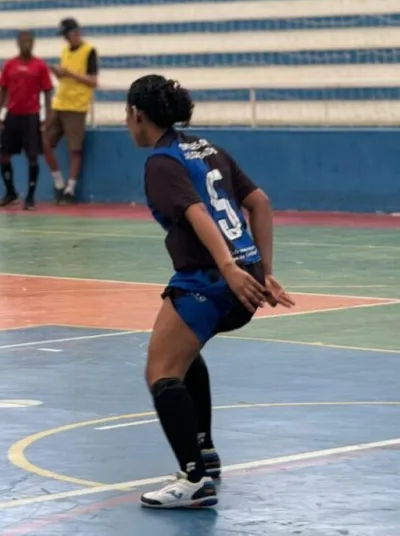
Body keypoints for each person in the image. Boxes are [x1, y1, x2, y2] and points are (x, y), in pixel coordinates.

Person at [125, 74, 295, 509]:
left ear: (137, 115)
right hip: (243, 276)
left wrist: (227, 267)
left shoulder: (161, 163)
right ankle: (204, 449)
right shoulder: (207, 148)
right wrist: (262, 270)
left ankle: (194, 479)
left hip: (211, 281)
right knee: (183, 352)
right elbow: (260, 202)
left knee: (161, 372)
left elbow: (198, 213)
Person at [0, 29, 53, 210]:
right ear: (18, 43)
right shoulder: (9, 65)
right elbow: (2, 90)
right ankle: (10, 192)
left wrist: (48, 116)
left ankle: (30, 197)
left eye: (30, 40)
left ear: (33, 43)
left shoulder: (40, 66)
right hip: (12, 115)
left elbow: (48, 91)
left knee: (32, 157)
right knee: (4, 156)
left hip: (31, 116)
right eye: (24, 40)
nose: (27, 43)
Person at [43, 17, 99, 204]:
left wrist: (69, 74)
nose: (66, 40)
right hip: (60, 103)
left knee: (75, 148)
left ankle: (70, 188)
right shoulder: (65, 51)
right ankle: (58, 182)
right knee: (44, 142)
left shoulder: (89, 51)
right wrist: (59, 74)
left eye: (68, 35)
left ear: (75, 33)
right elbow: (66, 77)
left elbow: (93, 81)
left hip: (77, 106)